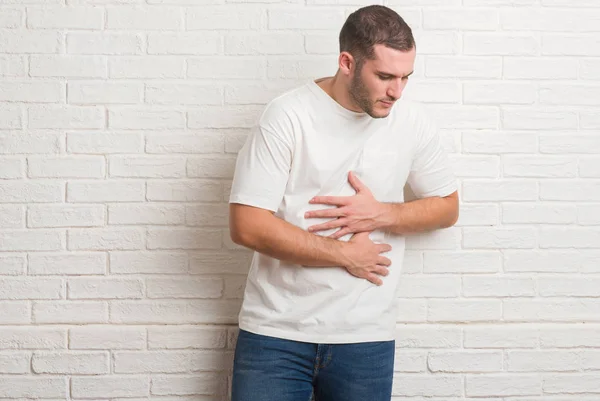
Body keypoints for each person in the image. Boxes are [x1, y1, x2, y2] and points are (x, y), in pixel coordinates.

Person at [227, 4, 459, 401]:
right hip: (276, 335)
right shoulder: (288, 116)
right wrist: (346, 255)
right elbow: (247, 224)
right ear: (347, 62)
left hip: (365, 339)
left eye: (405, 77)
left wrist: (384, 212)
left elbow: (447, 207)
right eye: (384, 76)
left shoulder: (412, 123)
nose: (396, 92)